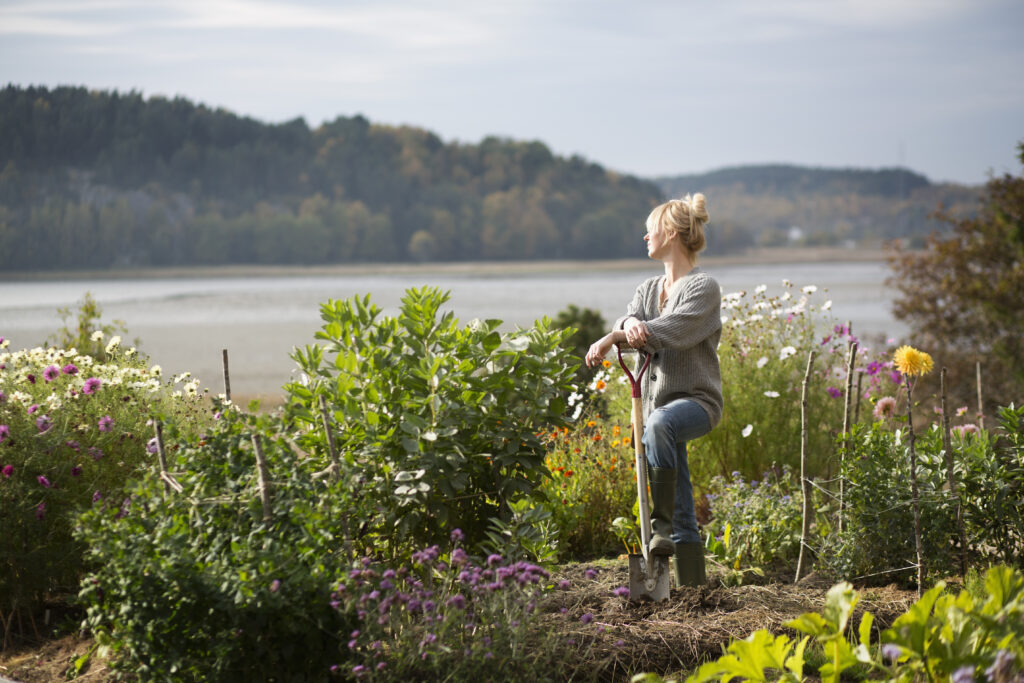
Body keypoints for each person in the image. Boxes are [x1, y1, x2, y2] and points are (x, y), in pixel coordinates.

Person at [585, 194, 722, 587]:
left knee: (661, 423)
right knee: (682, 502)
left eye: (652, 228)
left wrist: (617, 335)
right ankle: (694, 589)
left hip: (696, 402)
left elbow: (673, 331)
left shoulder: (704, 288)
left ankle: (658, 530)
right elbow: (630, 316)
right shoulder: (648, 289)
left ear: (673, 233)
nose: (645, 236)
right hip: (658, 415)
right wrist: (625, 323)